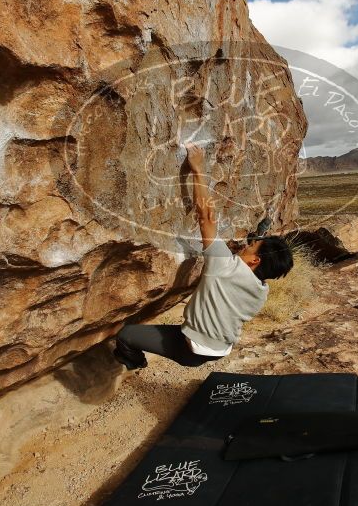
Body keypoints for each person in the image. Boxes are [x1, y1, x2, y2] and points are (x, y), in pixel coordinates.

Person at [112, 142, 294, 370]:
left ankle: (134, 362)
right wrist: (261, 237)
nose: (245, 245)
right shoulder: (261, 291)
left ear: (255, 261)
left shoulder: (224, 267)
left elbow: (206, 217)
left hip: (189, 349)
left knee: (125, 333)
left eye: (251, 245)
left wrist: (198, 169)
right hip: (219, 350)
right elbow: (247, 266)